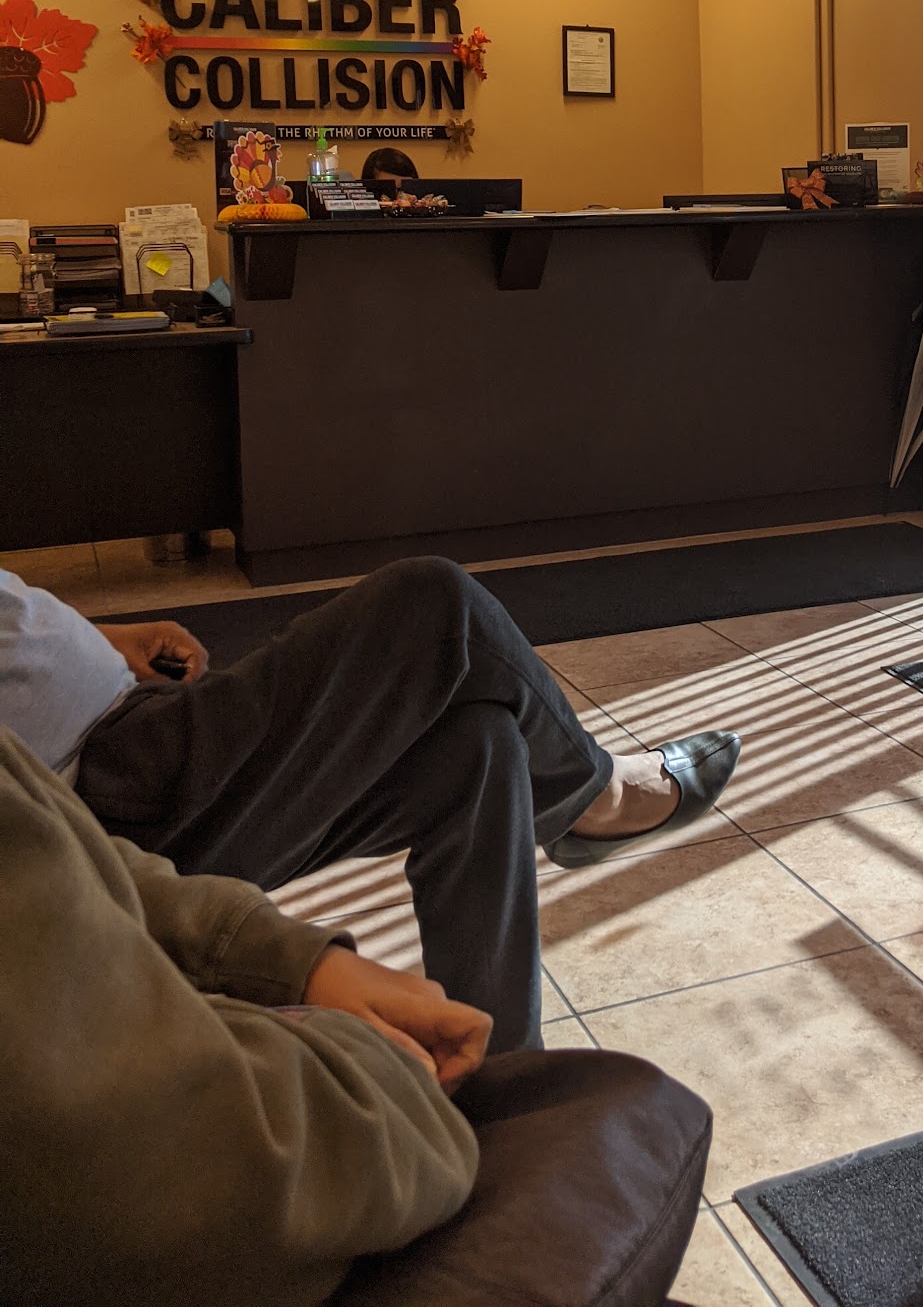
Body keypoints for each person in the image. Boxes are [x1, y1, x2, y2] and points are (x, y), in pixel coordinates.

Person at [0, 558, 740, 1052]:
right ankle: (596, 798)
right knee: (433, 602)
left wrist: (95, 638)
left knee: (477, 748)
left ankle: (502, 1069)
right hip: (100, 790)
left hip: (127, 724)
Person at [1, 721, 489, 1306]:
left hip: (113, 746)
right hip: (113, 751)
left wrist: (290, 957)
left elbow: (65, 844)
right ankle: (579, 795)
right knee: (452, 654)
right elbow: (163, 1166)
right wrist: (384, 1067)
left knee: (478, 742)